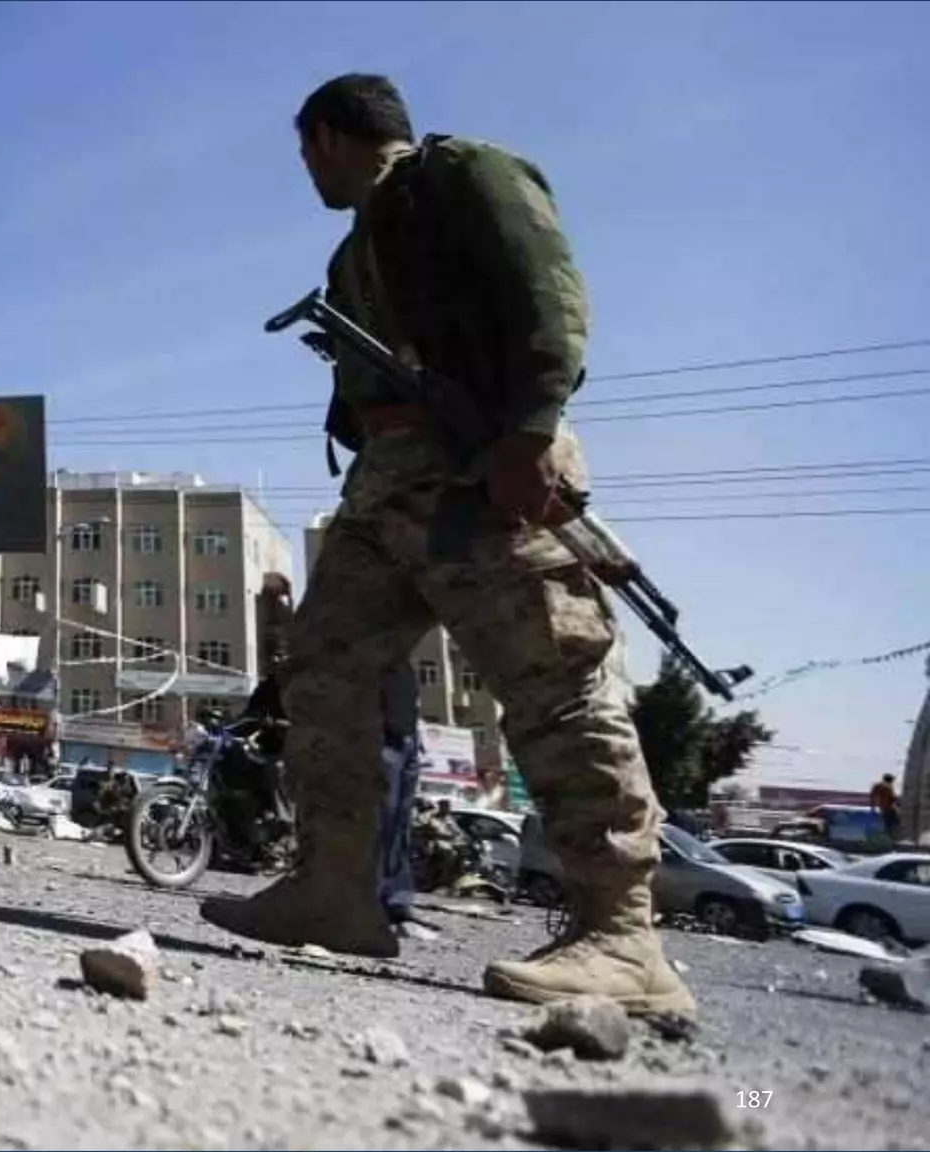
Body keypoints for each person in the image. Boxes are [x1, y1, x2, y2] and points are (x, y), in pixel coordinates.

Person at [200, 73, 693, 1020]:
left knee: (554, 680)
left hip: (490, 469)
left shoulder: (461, 176)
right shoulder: (356, 256)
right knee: (324, 668)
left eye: (308, 149)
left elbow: (547, 291)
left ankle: (624, 938)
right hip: (389, 487)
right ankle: (336, 892)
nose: (305, 169)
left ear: (333, 135)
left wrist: (533, 429)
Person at [376, 660, 426, 923]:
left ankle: (397, 898)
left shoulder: (402, 657)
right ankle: (375, 897)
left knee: (400, 826)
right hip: (385, 737)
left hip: (407, 736)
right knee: (383, 821)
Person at [871, 773, 901, 842]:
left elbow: (891, 798)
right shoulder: (884, 787)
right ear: (889, 780)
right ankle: (889, 839)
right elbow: (890, 798)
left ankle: (890, 837)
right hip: (887, 809)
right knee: (892, 824)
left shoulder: (884, 787)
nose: (893, 782)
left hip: (887, 808)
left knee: (891, 824)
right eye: (892, 781)